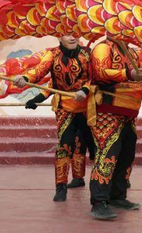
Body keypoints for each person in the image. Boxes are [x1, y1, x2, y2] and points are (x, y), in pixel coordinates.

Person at [14, 35, 94, 203]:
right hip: (65, 109)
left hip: (88, 108)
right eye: (67, 34)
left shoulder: (88, 54)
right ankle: (60, 187)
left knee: (88, 146)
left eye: (74, 33)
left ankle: (92, 181)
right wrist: (25, 80)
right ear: (59, 37)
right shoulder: (52, 55)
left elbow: (96, 78)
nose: (72, 37)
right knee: (64, 146)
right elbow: (39, 72)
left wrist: (85, 90)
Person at [88, 35, 142, 221]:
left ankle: (117, 196)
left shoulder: (131, 53)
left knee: (126, 156)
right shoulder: (103, 48)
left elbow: (141, 74)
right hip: (108, 111)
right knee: (107, 155)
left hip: (129, 113)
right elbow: (101, 72)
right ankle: (99, 201)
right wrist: (129, 74)